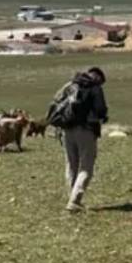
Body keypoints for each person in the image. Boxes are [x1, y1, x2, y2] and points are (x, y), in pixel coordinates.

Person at [47, 66, 108, 212]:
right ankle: (74, 200)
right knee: (86, 167)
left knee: (71, 164)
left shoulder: (72, 84)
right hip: (86, 130)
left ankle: (72, 198)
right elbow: (100, 110)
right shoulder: (95, 88)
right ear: (98, 77)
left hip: (66, 129)